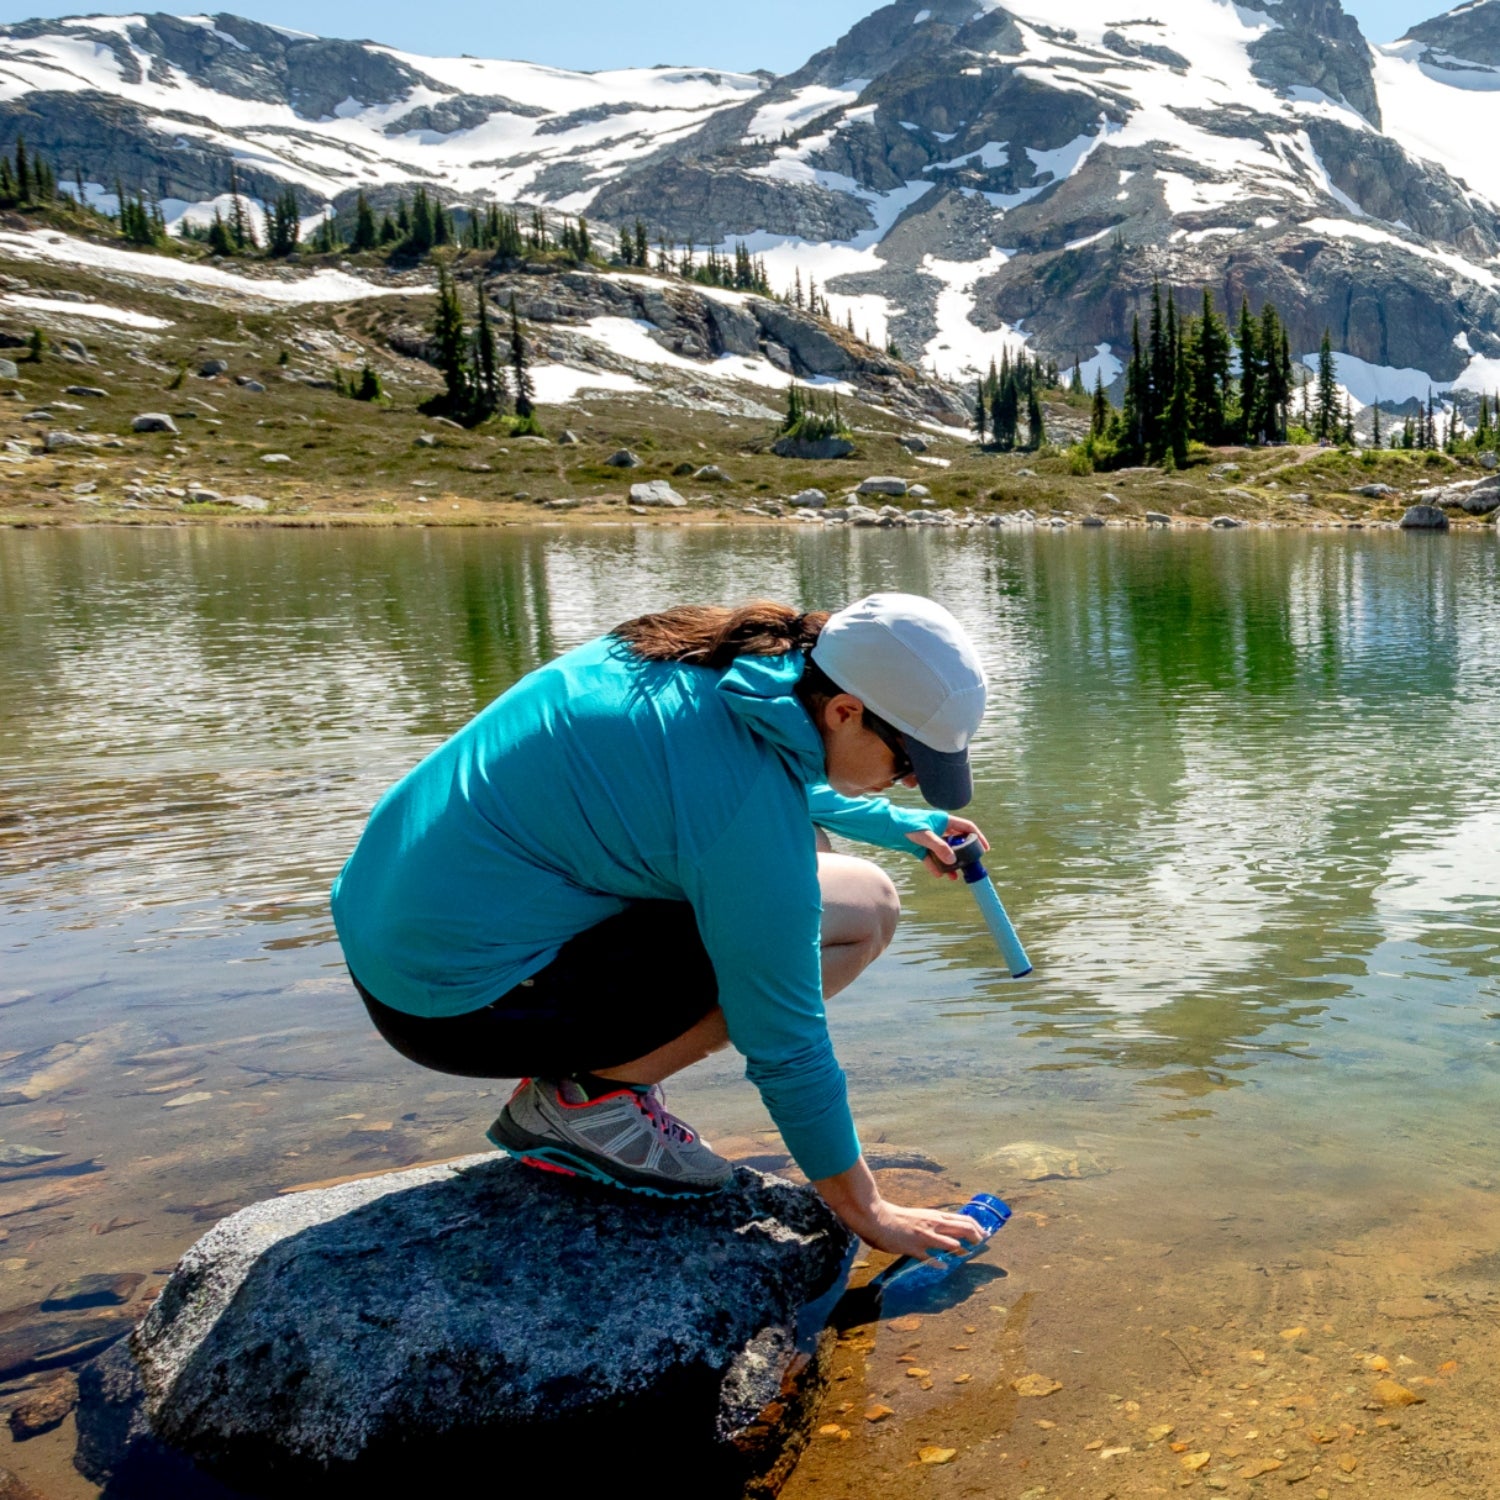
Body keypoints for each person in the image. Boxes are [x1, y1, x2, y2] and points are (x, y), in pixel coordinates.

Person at [331, 593, 990, 1260]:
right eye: (908, 764)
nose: (908, 783)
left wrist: (892, 825)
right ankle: (590, 1104)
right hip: (453, 1008)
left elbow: (721, 777)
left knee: (806, 856)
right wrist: (866, 1208)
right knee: (862, 912)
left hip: (390, 941)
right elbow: (785, 1041)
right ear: (845, 711)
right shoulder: (739, 805)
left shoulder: (708, 658)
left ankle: (590, 1082)